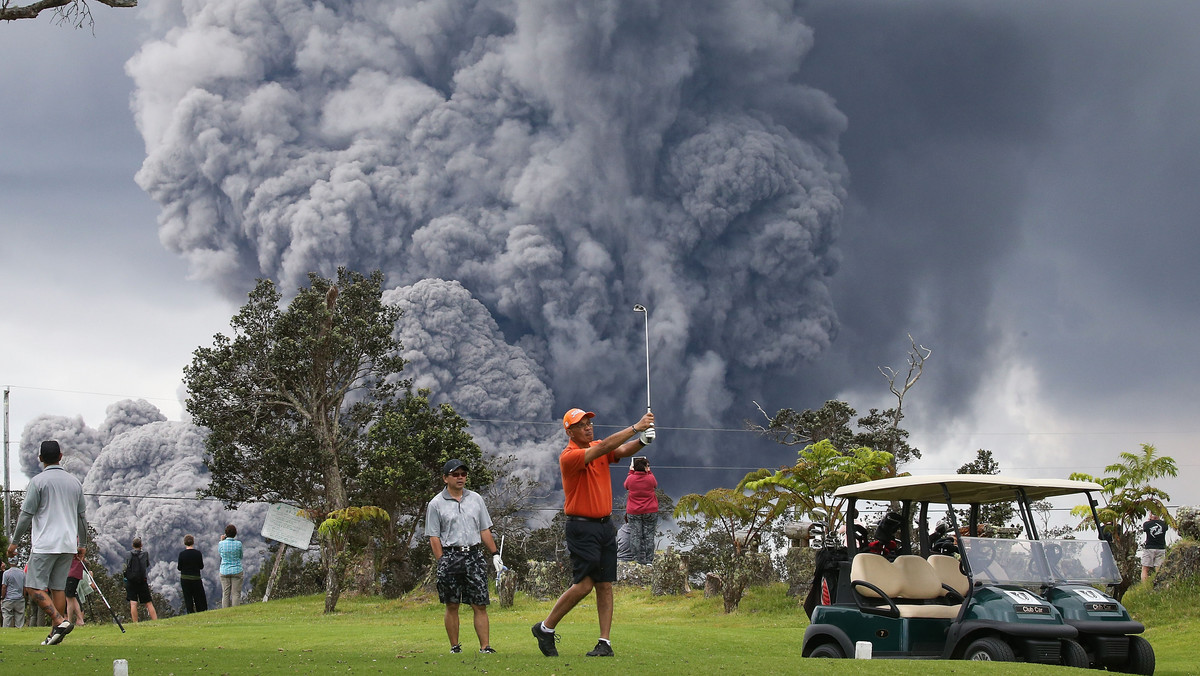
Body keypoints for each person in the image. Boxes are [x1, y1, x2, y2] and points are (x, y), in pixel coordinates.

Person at [532, 408, 654, 658]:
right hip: (581, 526)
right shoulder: (570, 456)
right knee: (585, 584)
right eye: (581, 425)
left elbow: (619, 451)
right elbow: (603, 448)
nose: (588, 427)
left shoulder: (598, 446)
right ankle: (545, 628)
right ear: (570, 431)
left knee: (605, 584)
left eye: (589, 423)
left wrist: (642, 441)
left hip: (604, 525)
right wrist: (636, 427)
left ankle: (604, 643)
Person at [6, 440, 88, 645]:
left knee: (33, 586)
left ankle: (59, 621)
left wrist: (14, 542)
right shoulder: (74, 482)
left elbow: (26, 515)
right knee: (58, 588)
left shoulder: (38, 482)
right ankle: (55, 634)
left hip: (45, 544)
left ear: (40, 458)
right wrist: (83, 544)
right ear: (60, 456)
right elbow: (81, 517)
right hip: (67, 544)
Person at [425, 459, 504, 655]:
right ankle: (455, 646)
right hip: (450, 555)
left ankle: (485, 647)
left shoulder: (476, 499)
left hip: (474, 555)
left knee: (480, 603)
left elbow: (484, 529)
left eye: (463, 474)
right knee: (452, 603)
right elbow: (434, 536)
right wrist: (442, 561)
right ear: (445, 478)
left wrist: (494, 554)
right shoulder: (436, 504)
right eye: (455, 474)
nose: (460, 478)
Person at [624, 457, 659, 566]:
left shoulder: (630, 479)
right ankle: (649, 561)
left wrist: (630, 471)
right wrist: (648, 471)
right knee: (649, 535)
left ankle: (636, 560)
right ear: (645, 467)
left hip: (634, 511)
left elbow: (626, 486)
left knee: (635, 535)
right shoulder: (650, 478)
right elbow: (655, 485)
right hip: (650, 510)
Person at [124, 537, 158, 622]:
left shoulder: (128, 554)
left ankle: (135, 623)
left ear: (132, 545)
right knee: (148, 602)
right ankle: (156, 621)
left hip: (131, 581)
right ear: (141, 545)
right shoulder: (145, 554)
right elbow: (146, 565)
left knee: (133, 603)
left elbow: (127, 565)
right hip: (142, 581)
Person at [178, 534, 208, 613]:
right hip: (196, 579)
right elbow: (201, 566)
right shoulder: (198, 553)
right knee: (199, 598)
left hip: (185, 580)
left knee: (188, 599)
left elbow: (179, 568)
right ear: (193, 542)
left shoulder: (182, 554)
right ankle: (201, 613)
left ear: (184, 543)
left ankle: (190, 613)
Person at [218, 524, 244, 608]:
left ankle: (225, 613)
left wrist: (222, 540)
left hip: (224, 571)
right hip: (236, 570)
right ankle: (235, 613)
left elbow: (220, 554)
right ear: (235, 534)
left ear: (225, 534)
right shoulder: (239, 544)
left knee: (226, 593)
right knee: (236, 593)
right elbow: (241, 556)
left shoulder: (221, 544)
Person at [1141, 514, 1169, 581]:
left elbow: (1145, 528)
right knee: (1159, 568)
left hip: (1149, 548)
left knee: (1145, 568)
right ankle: (1158, 584)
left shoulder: (1147, 524)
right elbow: (1166, 528)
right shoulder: (1164, 524)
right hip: (1161, 548)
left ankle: (1145, 586)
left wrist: (1150, 519)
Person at [2, 561, 25, 627]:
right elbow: (24, 586)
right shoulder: (22, 572)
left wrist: (3, 597)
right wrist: (23, 595)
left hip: (8, 598)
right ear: (17, 563)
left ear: (9, 562)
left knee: (7, 616)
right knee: (19, 617)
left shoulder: (6, 573)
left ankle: (5, 631)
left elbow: (4, 586)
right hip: (19, 597)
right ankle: (19, 631)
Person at [64, 556, 86, 626]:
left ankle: (69, 621)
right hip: (76, 574)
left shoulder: (73, 552)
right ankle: (80, 620)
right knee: (73, 597)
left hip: (71, 574)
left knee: (69, 598)